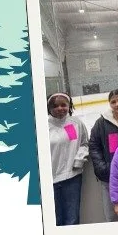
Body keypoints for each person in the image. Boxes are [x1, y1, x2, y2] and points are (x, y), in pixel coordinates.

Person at [88, 88, 118, 222]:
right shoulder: (101, 123)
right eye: (113, 101)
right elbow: (93, 145)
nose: (117, 104)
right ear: (110, 104)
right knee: (112, 217)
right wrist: (101, 167)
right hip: (109, 177)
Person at [47, 93, 89, 226]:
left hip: (72, 178)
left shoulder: (75, 124)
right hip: (50, 180)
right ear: (49, 108)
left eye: (63, 105)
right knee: (55, 220)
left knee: (72, 219)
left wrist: (79, 160)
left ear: (69, 106)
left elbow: (83, 143)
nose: (60, 108)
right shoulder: (42, 126)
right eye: (55, 106)